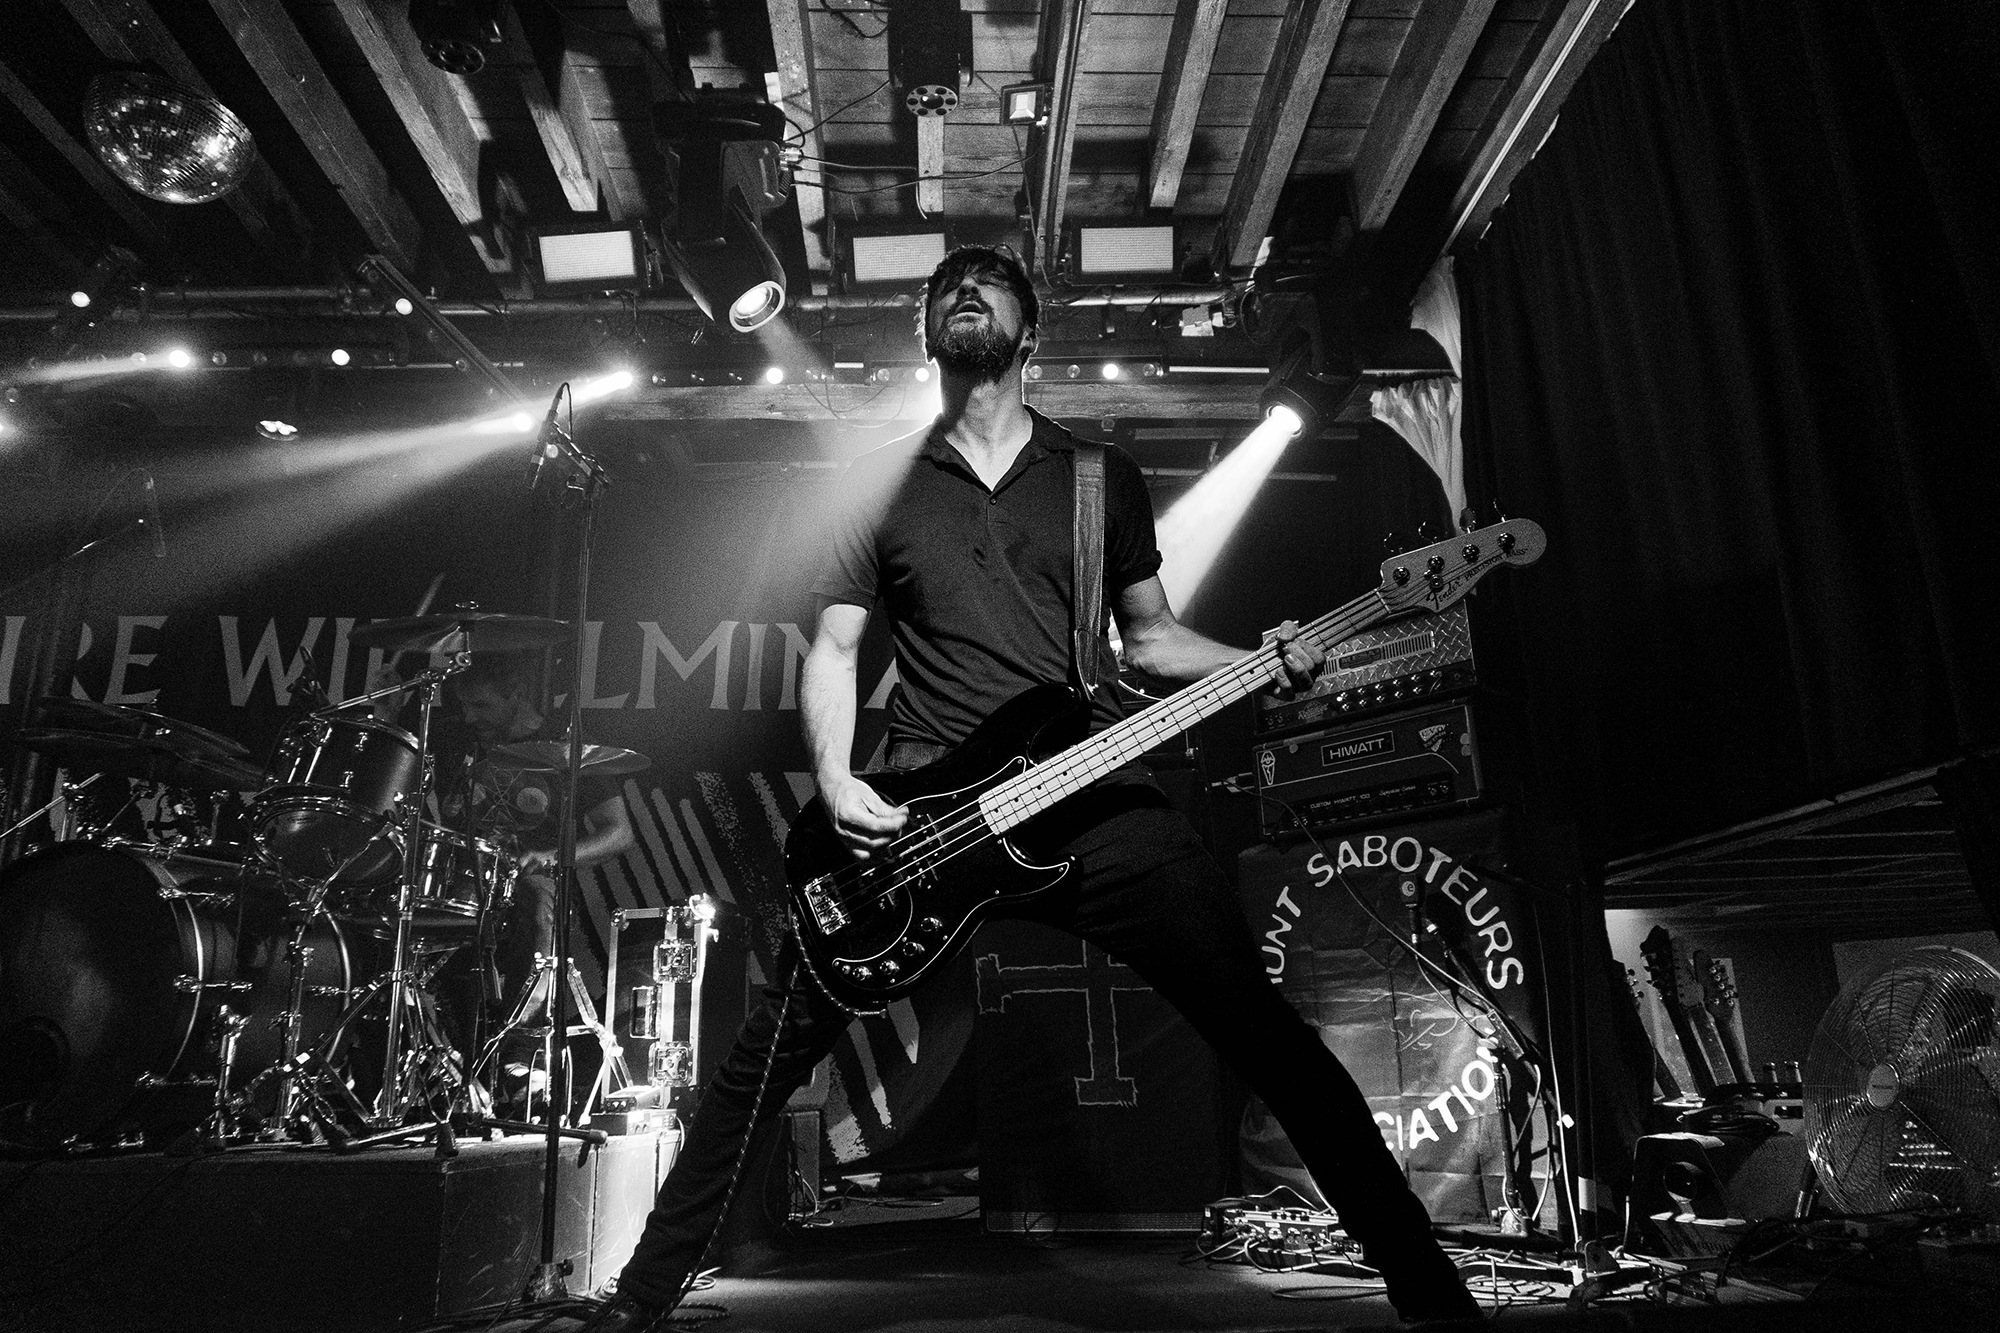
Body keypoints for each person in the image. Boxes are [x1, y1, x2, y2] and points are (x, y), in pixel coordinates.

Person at [589, 245, 1481, 1329]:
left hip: (1087, 790)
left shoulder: (1098, 476)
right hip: (926, 814)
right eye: (946, 287)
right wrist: (833, 776)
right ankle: (640, 1294)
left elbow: (1149, 640)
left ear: (1031, 332)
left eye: (991, 282)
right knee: (764, 1055)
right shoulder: (879, 481)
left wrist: (1264, 656)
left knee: (1265, 1031)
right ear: (926, 332)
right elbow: (834, 648)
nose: (964, 289)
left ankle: (1427, 1287)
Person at [375, 654, 635, 1115]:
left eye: (482, 705)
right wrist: (387, 715)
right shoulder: (459, 738)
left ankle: (519, 1057)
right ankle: (426, 1056)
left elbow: (619, 833)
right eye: (464, 706)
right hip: (456, 875)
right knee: (382, 906)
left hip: (528, 878)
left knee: (536, 903)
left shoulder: (567, 747)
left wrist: (550, 856)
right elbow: (390, 774)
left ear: (516, 694)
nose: (470, 717)